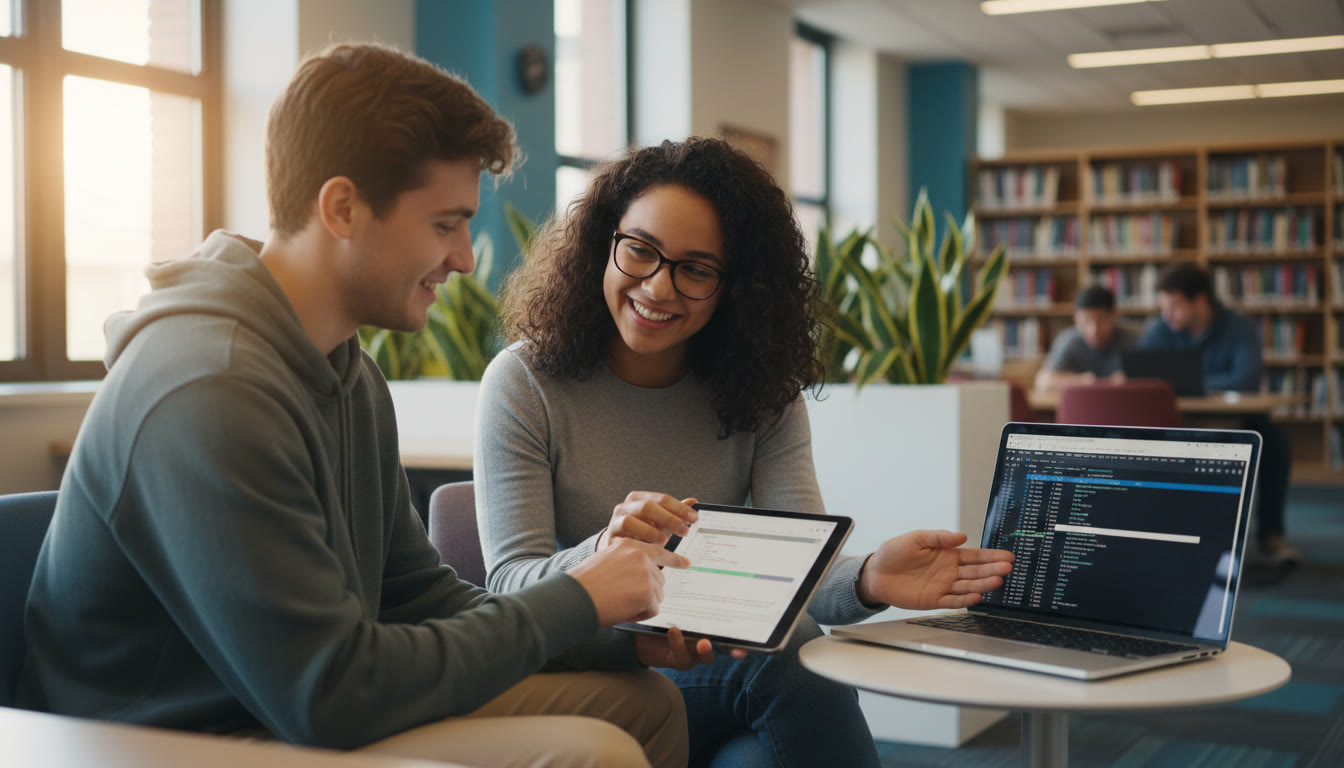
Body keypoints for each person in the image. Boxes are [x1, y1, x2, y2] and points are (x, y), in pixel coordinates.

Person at [18, 43, 718, 768]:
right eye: (445, 224)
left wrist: (610, 627)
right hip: (163, 741)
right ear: (344, 207)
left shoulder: (346, 372)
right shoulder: (209, 391)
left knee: (645, 704)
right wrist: (575, 596)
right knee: (592, 753)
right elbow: (329, 694)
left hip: (286, 706)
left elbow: (417, 596)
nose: (465, 260)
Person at [474, 137, 1016, 767]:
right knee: (788, 657)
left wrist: (870, 578)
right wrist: (603, 551)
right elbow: (509, 590)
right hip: (596, 673)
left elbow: (795, 573)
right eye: (640, 251)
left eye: (696, 269)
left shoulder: (761, 392)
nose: (658, 286)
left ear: (736, 287)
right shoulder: (523, 383)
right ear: (605, 242)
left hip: (721, 672)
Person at [1139, 264, 1300, 564]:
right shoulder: (1160, 330)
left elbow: (1247, 379)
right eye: (1164, 307)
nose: (1167, 315)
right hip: (1176, 423)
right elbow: (1143, 379)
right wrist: (1199, 386)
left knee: (1274, 443)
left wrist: (1189, 385)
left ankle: (1271, 535)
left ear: (1200, 301)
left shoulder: (1238, 326)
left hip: (1238, 421)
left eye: (1174, 306)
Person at [1033, 284, 1139, 392]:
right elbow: (1043, 381)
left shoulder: (1135, 338)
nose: (1093, 330)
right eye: (1085, 322)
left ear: (1114, 314)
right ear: (1076, 318)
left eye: (1101, 321)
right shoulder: (1070, 340)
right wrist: (1082, 381)